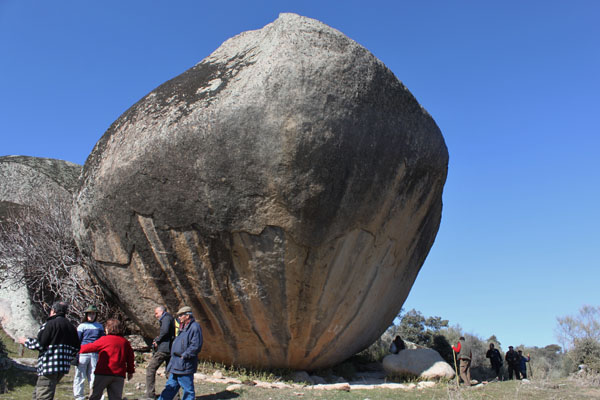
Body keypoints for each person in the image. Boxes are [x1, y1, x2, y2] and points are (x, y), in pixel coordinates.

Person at [18, 301, 80, 400]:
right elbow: (76, 349)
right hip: (62, 368)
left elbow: (39, 345)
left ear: (53, 311)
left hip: (48, 367)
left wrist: (25, 341)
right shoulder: (72, 328)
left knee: (43, 396)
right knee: (37, 394)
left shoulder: (49, 325)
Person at [80, 319, 135, 400]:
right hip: (119, 375)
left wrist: (76, 349)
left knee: (95, 396)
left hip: (103, 373)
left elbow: (90, 347)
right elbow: (130, 358)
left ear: (108, 329)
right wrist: (130, 371)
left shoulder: (104, 339)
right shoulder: (125, 342)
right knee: (116, 398)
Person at [158, 306, 203, 400]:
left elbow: (196, 345)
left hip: (185, 364)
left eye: (181, 315)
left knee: (187, 390)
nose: (179, 317)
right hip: (176, 364)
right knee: (170, 387)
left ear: (187, 316)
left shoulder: (194, 327)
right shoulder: (182, 327)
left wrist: (184, 355)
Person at [73, 305, 105, 400]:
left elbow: (102, 340)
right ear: (86, 315)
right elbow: (77, 340)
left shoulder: (99, 326)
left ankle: (95, 395)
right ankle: (79, 396)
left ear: (96, 315)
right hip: (83, 353)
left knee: (94, 375)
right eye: (90, 314)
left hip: (95, 353)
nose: (91, 316)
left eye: (93, 314)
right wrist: (76, 354)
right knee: (80, 375)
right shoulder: (82, 326)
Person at [146, 306, 176, 399]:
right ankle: (175, 396)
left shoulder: (166, 318)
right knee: (169, 372)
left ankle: (150, 395)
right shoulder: (170, 318)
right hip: (170, 349)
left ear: (162, 312)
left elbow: (165, 331)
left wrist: (158, 341)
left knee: (150, 369)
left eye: (156, 313)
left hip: (164, 349)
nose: (156, 316)